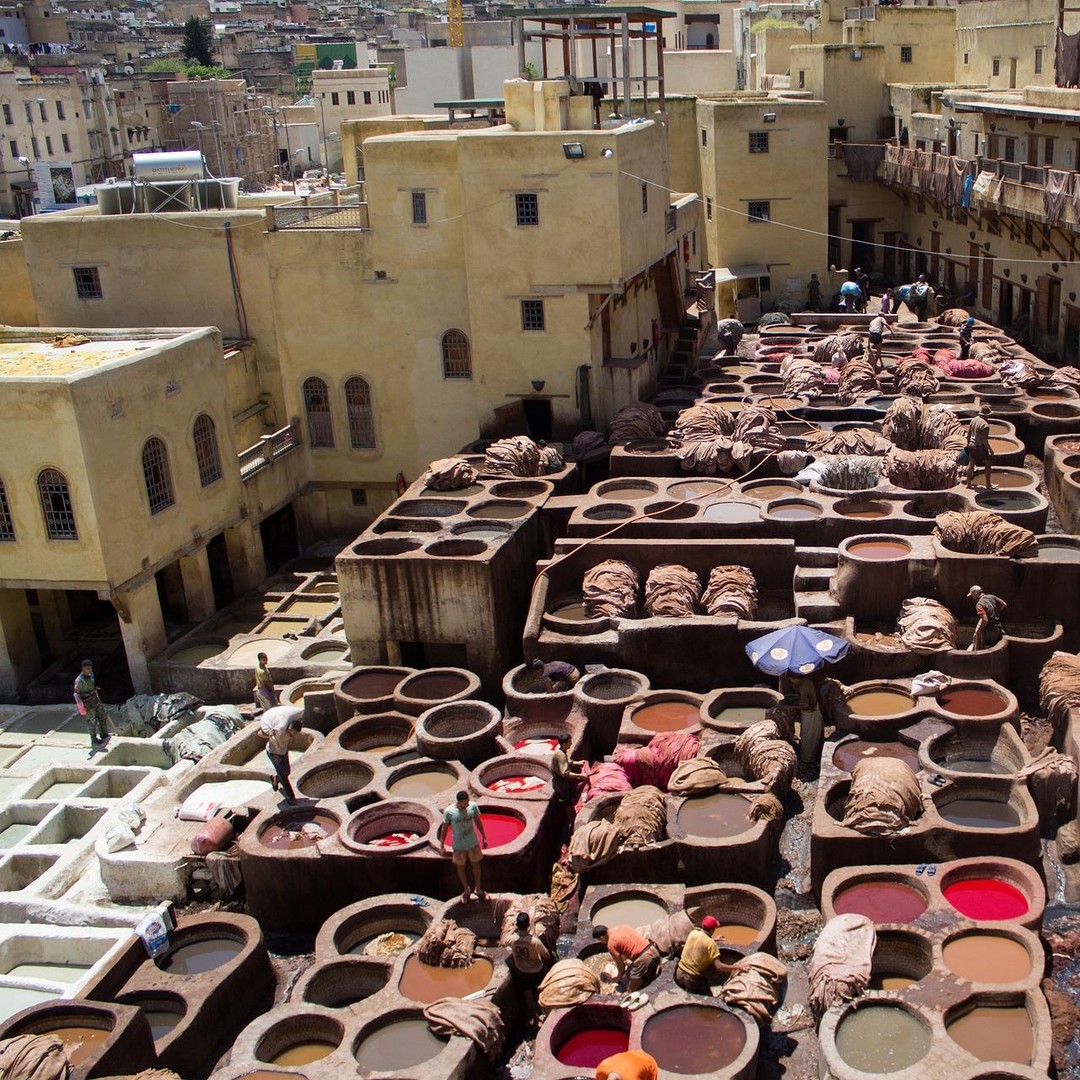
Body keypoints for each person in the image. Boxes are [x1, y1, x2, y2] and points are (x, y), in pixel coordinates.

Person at [438, 790, 489, 902]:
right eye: (464, 803)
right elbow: (444, 828)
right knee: (460, 866)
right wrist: (441, 844)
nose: (466, 805)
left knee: (476, 865)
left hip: (472, 842)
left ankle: (478, 889)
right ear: (459, 802)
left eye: (467, 802)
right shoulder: (449, 811)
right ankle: (466, 890)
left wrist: (484, 836)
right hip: (459, 844)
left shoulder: (473, 807)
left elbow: (478, 821)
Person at [675, 915, 738, 993]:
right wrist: (738, 967)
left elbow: (700, 942)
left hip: (679, 972)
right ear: (712, 929)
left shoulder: (693, 933)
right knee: (708, 997)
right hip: (691, 978)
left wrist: (713, 939)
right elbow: (719, 967)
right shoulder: (710, 944)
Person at [592, 924, 662, 993]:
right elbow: (628, 946)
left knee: (630, 991)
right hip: (653, 950)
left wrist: (617, 979)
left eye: (600, 941)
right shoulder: (623, 927)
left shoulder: (611, 944)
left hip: (643, 959)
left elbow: (621, 967)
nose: (601, 942)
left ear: (602, 937)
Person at [508, 911, 551, 1012]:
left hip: (521, 971)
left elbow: (504, 941)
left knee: (527, 992)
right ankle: (543, 1009)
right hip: (536, 971)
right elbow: (547, 955)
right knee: (541, 988)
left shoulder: (512, 939)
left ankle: (532, 1013)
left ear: (517, 925)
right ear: (528, 925)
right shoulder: (535, 941)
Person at [781, 672, 823, 769]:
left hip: (809, 713)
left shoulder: (803, 687)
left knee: (807, 737)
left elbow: (806, 705)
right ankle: (812, 756)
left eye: (791, 679)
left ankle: (806, 760)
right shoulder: (808, 681)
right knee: (812, 736)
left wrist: (793, 706)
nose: (791, 682)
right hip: (814, 710)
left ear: (796, 678)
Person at [260, 707, 303, 802]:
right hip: (274, 753)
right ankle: (291, 797)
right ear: (290, 729)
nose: (295, 734)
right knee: (284, 776)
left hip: (283, 751)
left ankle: (275, 779)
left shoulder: (283, 729)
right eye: (294, 732)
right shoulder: (279, 731)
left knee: (287, 771)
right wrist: (269, 732)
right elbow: (260, 733)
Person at [73, 659, 110, 750]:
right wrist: (81, 706)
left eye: (90, 668)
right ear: (83, 668)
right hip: (87, 702)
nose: (89, 670)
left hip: (95, 699)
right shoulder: (79, 680)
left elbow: (93, 685)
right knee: (92, 721)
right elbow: (76, 694)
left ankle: (104, 734)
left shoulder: (92, 675)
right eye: (87, 669)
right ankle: (94, 740)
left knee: (102, 715)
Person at [551, 732, 586, 807]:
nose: (571, 743)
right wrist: (580, 775)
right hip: (560, 782)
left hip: (560, 780)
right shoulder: (561, 755)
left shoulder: (560, 751)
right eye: (569, 742)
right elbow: (565, 773)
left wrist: (578, 763)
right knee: (564, 798)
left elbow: (567, 761)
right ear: (564, 744)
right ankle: (564, 809)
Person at [968, 585, 1008, 650]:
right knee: (998, 646)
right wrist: (995, 612)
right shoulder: (992, 597)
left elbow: (985, 620)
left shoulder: (979, 604)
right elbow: (1004, 604)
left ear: (975, 594)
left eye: (972, 595)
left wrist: (980, 629)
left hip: (990, 630)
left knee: (988, 649)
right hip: (998, 626)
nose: (973, 597)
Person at [965, 404, 994, 489]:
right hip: (979, 446)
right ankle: (988, 485)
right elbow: (984, 439)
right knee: (988, 463)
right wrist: (990, 449)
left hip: (971, 445)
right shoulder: (985, 425)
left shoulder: (973, 420)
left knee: (971, 463)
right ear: (987, 415)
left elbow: (969, 434)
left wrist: (968, 444)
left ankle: (968, 484)